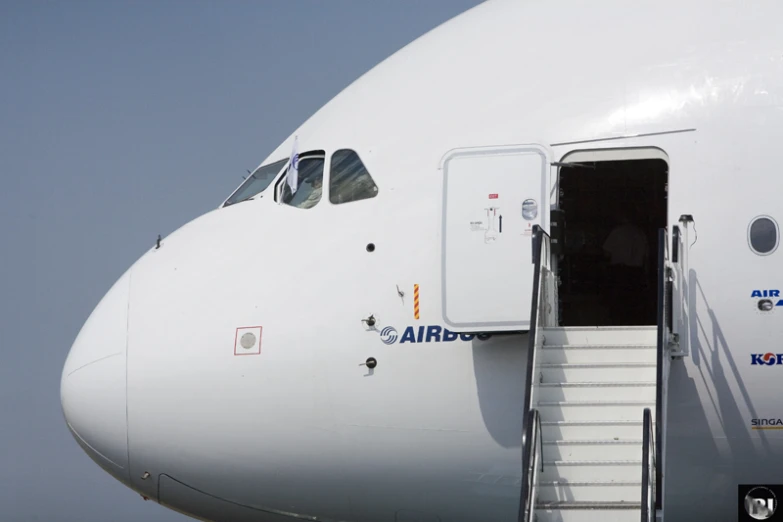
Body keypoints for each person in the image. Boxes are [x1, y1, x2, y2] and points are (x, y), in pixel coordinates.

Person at [602, 213, 649, 324]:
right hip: (636, 273)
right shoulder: (640, 233)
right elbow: (646, 258)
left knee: (618, 303)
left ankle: (617, 324)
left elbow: (606, 253)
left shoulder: (617, 232)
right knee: (633, 304)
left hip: (620, 272)